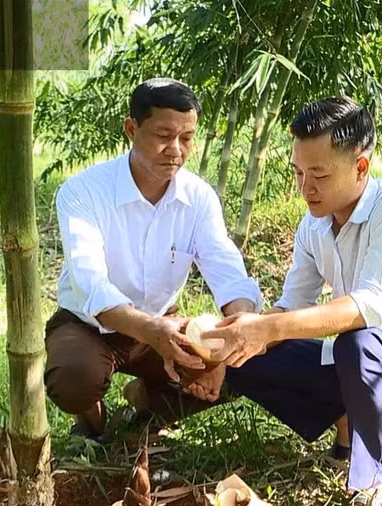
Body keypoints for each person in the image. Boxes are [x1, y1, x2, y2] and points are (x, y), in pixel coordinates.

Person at [202, 97, 382, 506]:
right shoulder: (313, 226)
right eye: (298, 172)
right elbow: (292, 304)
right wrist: (236, 338)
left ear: (361, 166)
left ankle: (370, 481)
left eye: (319, 175)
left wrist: (267, 327)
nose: (305, 187)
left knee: (360, 342)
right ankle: (347, 428)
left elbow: (369, 307)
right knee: (248, 358)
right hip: (353, 368)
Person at [44, 77, 262, 441]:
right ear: (131, 129)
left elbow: (228, 273)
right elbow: (90, 283)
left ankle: (146, 401)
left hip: (163, 327)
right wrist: (151, 331)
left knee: (245, 368)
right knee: (74, 377)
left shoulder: (199, 198)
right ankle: (92, 419)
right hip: (89, 325)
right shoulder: (83, 191)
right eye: (163, 135)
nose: (175, 150)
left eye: (187, 138)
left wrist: (231, 337)